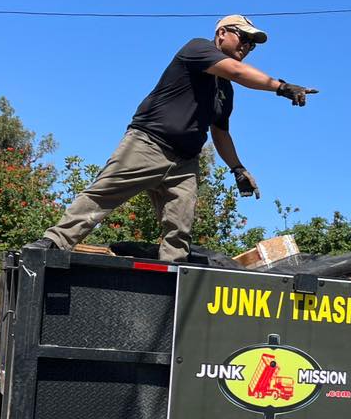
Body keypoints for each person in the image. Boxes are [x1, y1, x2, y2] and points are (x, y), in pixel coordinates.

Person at [31, 15, 317, 261]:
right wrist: (281, 87)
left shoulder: (225, 90)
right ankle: (53, 242)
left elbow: (220, 131)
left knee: (179, 229)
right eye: (243, 38)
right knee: (103, 195)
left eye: (252, 44)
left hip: (184, 164)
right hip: (148, 144)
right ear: (221, 34)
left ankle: (171, 280)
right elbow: (240, 72)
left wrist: (237, 168)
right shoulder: (197, 49)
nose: (247, 46)